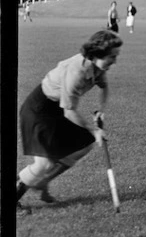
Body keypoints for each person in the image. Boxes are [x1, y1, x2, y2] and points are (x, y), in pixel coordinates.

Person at [16, 30, 123, 208]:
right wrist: (95, 130)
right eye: (112, 56)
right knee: (42, 164)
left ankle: (44, 181)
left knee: (84, 143)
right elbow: (69, 112)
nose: (115, 61)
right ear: (97, 54)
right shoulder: (77, 72)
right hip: (39, 109)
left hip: (58, 109)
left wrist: (100, 111)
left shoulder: (98, 68)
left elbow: (104, 88)